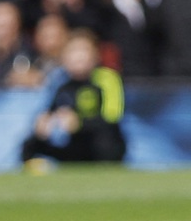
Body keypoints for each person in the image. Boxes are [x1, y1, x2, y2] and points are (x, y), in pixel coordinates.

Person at [20, 30, 128, 166]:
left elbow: (112, 116)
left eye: (84, 50)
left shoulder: (107, 78)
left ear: (95, 55)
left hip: (101, 146)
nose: (79, 56)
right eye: (73, 51)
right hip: (73, 144)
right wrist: (45, 121)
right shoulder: (61, 82)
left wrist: (80, 123)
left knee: (105, 140)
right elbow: (50, 111)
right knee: (31, 143)